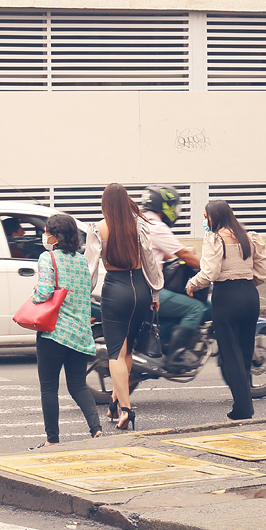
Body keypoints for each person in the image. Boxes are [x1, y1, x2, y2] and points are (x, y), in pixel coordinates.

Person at [86, 184, 163, 430]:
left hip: (115, 290)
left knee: (115, 353)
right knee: (127, 350)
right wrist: (155, 291)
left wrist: (83, 295)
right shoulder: (139, 225)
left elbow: (91, 266)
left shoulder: (98, 228)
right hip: (140, 289)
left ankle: (126, 409)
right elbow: (150, 261)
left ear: (105, 204)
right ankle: (114, 401)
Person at [186, 200, 266, 421]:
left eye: (206, 216)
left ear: (216, 217)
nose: (205, 221)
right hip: (250, 295)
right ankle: (245, 405)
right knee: (244, 352)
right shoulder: (249, 237)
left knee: (229, 354)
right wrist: (248, 283)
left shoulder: (215, 238)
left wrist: (192, 284)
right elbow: (263, 270)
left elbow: (210, 272)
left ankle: (243, 409)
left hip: (226, 297)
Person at [29, 214, 101, 448]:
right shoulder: (82, 261)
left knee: (49, 387)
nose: (45, 235)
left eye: (47, 231)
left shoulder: (47, 257)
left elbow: (45, 291)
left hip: (54, 333)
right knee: (78, 385)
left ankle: (53, 440)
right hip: (80, 333)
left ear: (55, 235)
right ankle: (96, 430)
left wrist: (34, 294)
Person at [140, 186, 206, 371]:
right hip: (150, 291)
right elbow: (184, 254)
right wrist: (212, 269)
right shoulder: (157, 227)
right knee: (195, 307)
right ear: (165, 206)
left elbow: (168, 254)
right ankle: (176, 357)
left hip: (135, 287)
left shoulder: (140, 223)